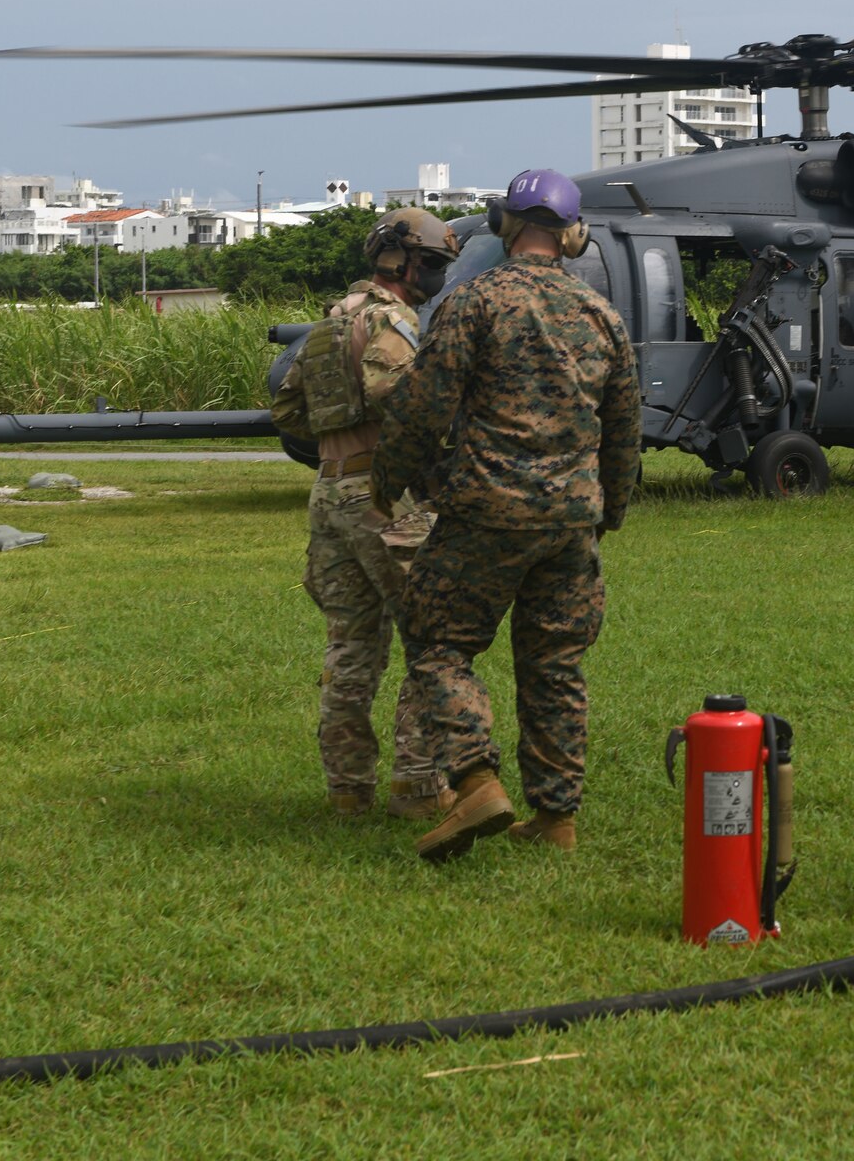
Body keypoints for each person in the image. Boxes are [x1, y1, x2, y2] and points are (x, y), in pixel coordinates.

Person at [371, 169, 643, 863]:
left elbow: (424, 405)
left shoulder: (476, 301)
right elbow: (624, 432)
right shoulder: (601, 317)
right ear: (573, 236)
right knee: (555, 665)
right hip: (570, 523)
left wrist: (390, 477)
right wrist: (608, 509)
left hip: (486, 512)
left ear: (503, 227)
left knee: (437, 642)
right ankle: (556, 819)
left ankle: (476, 780)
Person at [269, 206, 460, 820]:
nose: (437, 275)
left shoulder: (327, 325)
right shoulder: (393, 320)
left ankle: (349, 790)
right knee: (435, 637)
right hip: (382, 498)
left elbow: (290, 412)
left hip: (328, 494)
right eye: (434, 264)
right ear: (409, 264)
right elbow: (399, 394)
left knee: (350, 650)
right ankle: (420, 783)